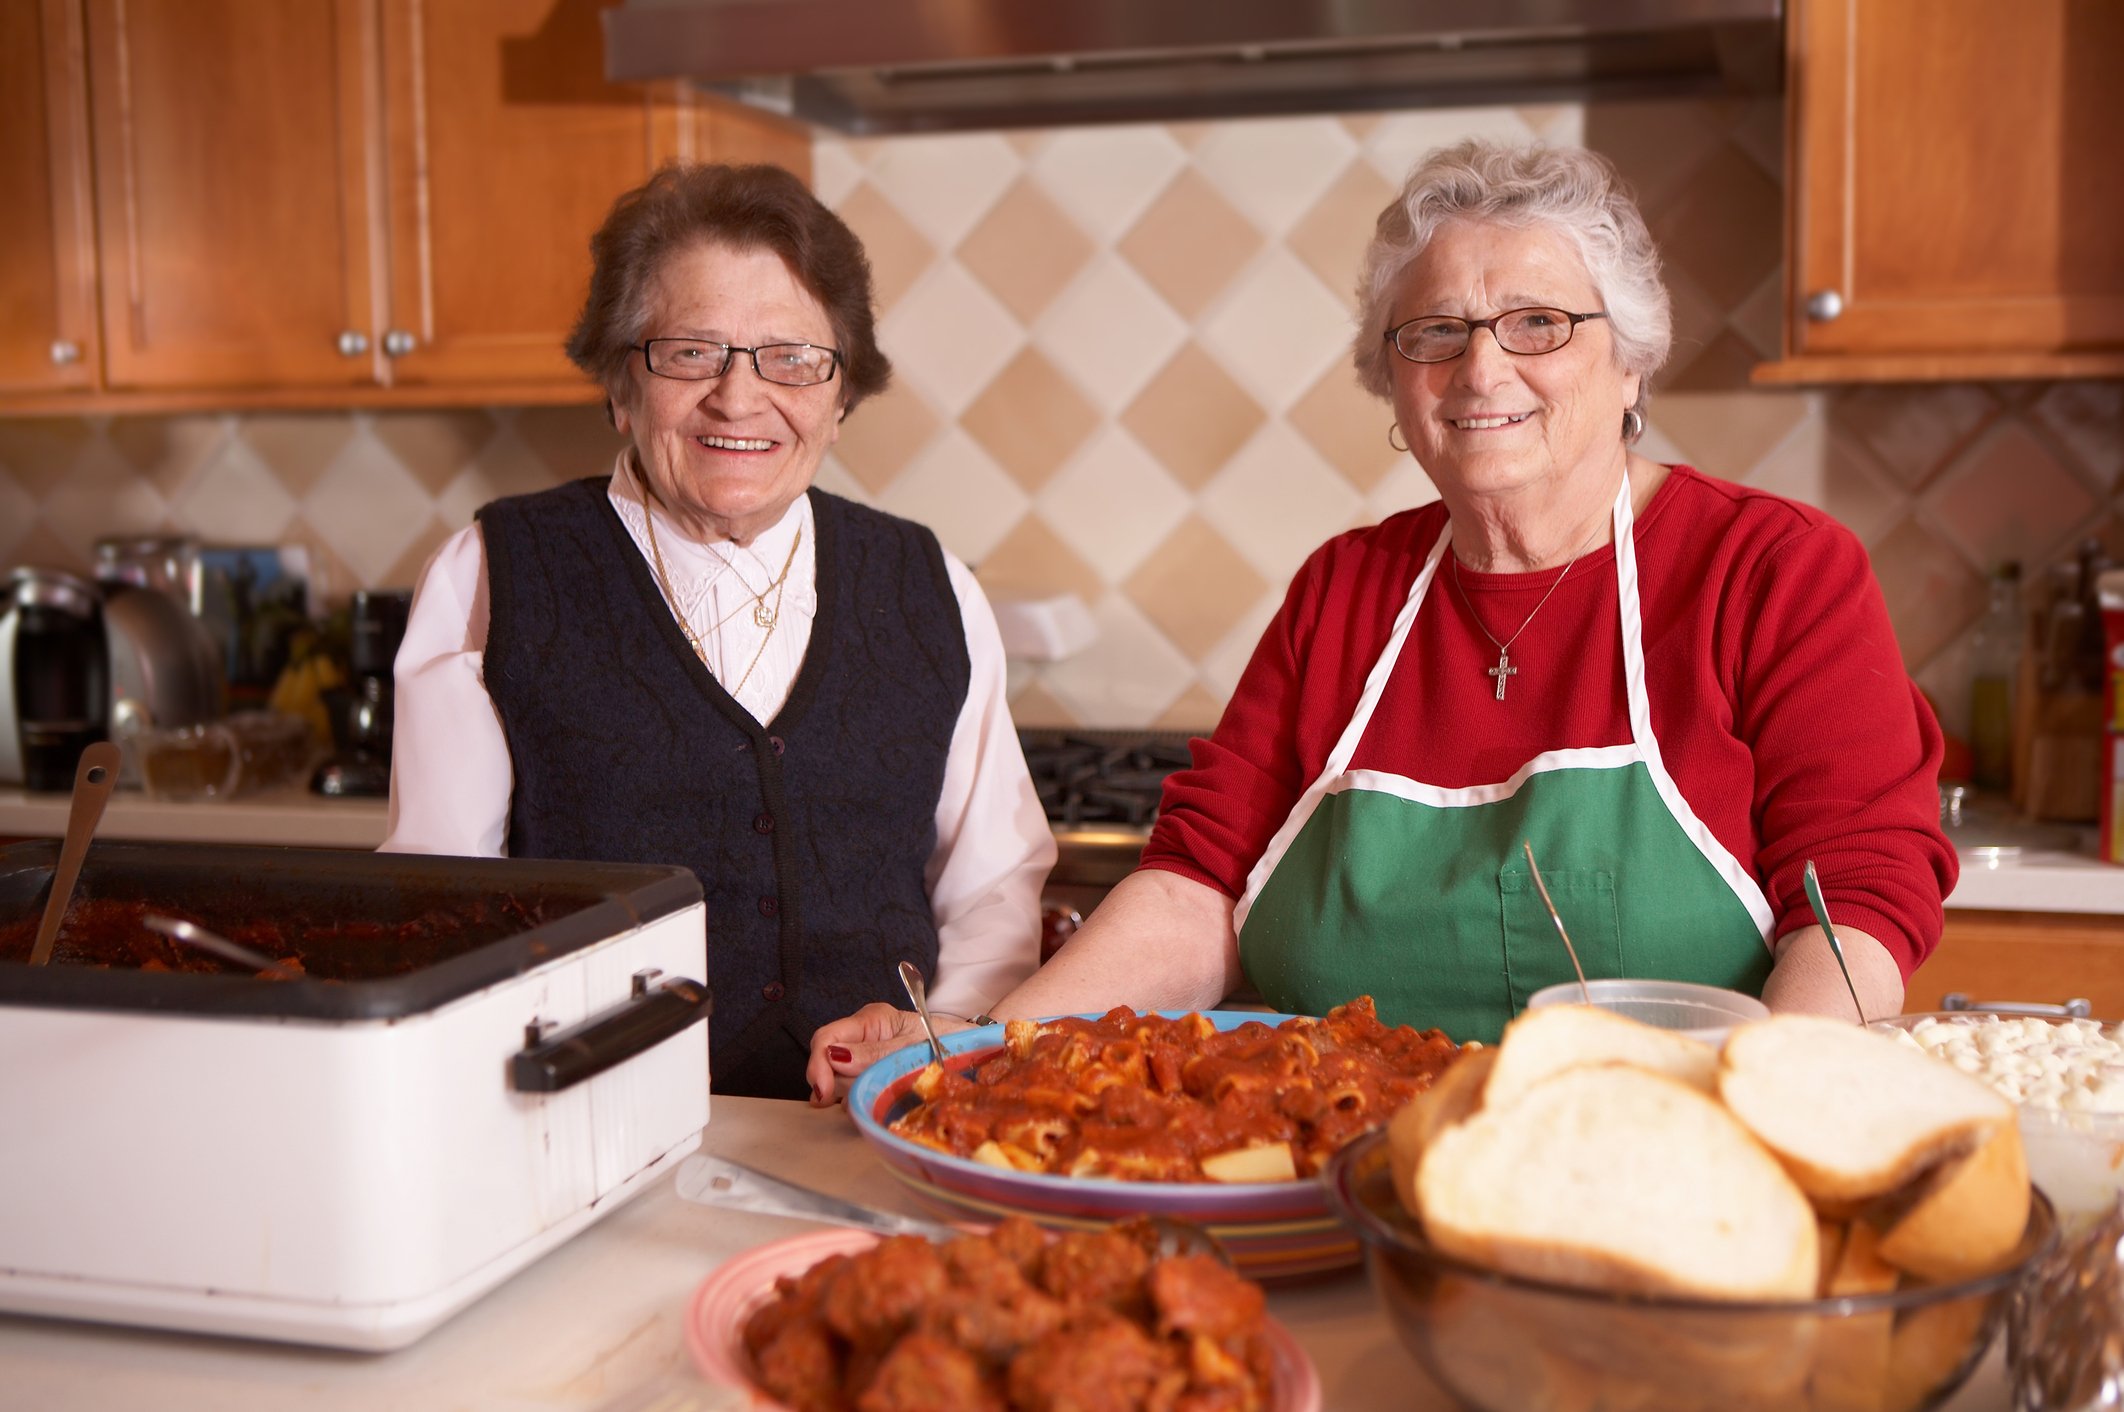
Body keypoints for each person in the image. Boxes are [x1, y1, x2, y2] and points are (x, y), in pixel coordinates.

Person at [808, 139, 1955, 1102]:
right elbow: (1197, 886)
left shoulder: (1771, 569)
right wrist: (981, 1051)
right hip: (1328, 1173)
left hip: (1658, 1169)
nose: (1482, 365)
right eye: (1434, 333)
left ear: (1630, 361)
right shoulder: (1345, 591)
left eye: (1539, 322)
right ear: (1395, 385)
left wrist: (1779, 1124)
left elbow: (1852, 903)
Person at [383, 163, 1054, 1100]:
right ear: (621, 381)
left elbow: (992, 887)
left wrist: (937, 1040)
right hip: (587, 1136)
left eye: (791, 357)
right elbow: (441, 911)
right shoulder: (489, 578)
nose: (739, 399)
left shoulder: (928, 585)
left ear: (841, 394)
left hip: (877, 1136)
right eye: (691, 352)